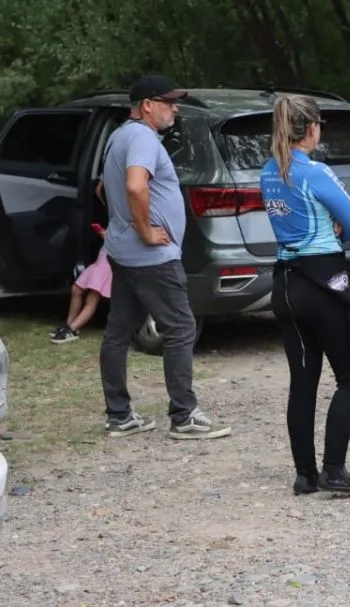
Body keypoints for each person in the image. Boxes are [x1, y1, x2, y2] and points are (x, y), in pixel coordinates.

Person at [262, 94, 350, 496]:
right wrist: (335, 226)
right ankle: (335, 470)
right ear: (312, 129)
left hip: (285, 281)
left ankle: (305, 474)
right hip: (322, 280)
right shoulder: (314, 171)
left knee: (303, 381)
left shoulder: (268, 171)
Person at [99, 75, 230, 440]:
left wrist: (125, 225)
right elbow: (135, 185)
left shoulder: (118, 135)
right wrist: (144, 230)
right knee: (181, 327)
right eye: (168, 102)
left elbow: (101, 187)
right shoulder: (141, 137)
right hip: (149, 256)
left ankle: (120, 416)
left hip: (123, 252)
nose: (174, 108)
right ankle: (184, 416)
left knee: (119, 332)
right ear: (147, 105)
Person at [49, 225, 111, 344]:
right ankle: (69, 324)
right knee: (76, 289)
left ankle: (72, 329)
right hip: (101, 260)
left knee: (92, 298)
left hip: (107, 265)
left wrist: (108, 237)